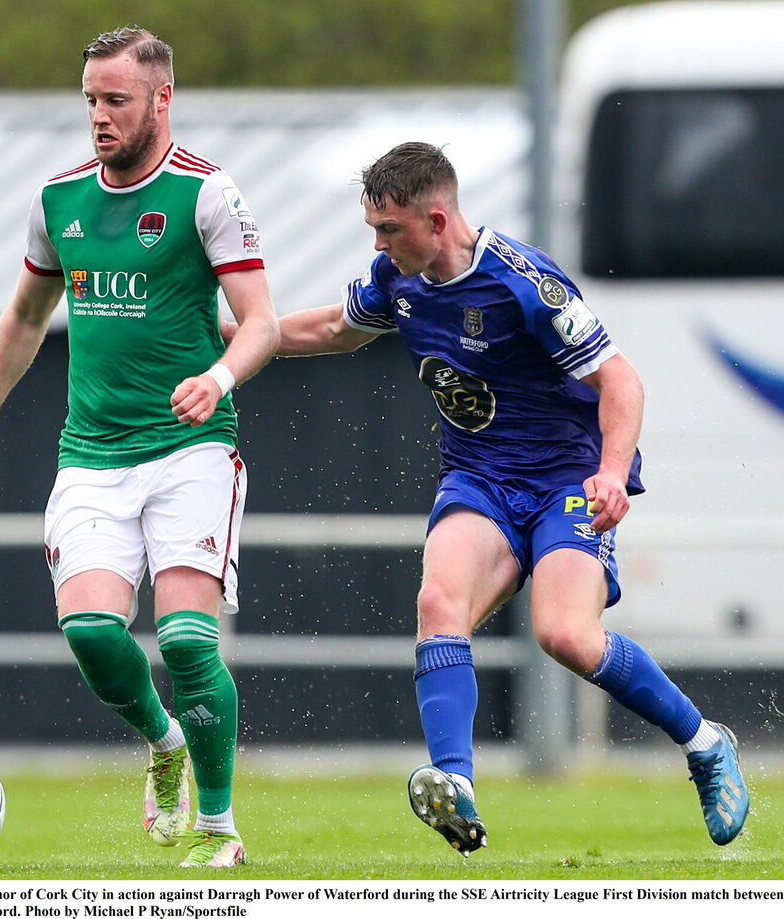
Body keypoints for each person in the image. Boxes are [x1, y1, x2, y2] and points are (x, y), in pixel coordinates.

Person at [227, 141, 749, 856]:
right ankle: (457, 785)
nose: (377, 245)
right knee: (440, 603)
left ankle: (705, 742)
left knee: (565, 634)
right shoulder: (396, 278)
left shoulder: (523, 282)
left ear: (437, 220)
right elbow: (331, 329)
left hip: (567, 479)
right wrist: (231, 339)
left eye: (390, 230)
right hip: (478, 479)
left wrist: (611, 469)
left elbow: (621, 380)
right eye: (373, 230)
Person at [0, 26, 279, 869]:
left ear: (162, 99)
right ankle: (163, 745)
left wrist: (220, 379)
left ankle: (220, 830)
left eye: (115, 100)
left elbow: (262, 322)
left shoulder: (207, 194)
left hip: (192, 448)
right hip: (91, 455)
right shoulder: (58, 200)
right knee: (92, 630)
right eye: (90, 99)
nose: (99, 116)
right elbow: (22, 318)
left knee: (190, 642)